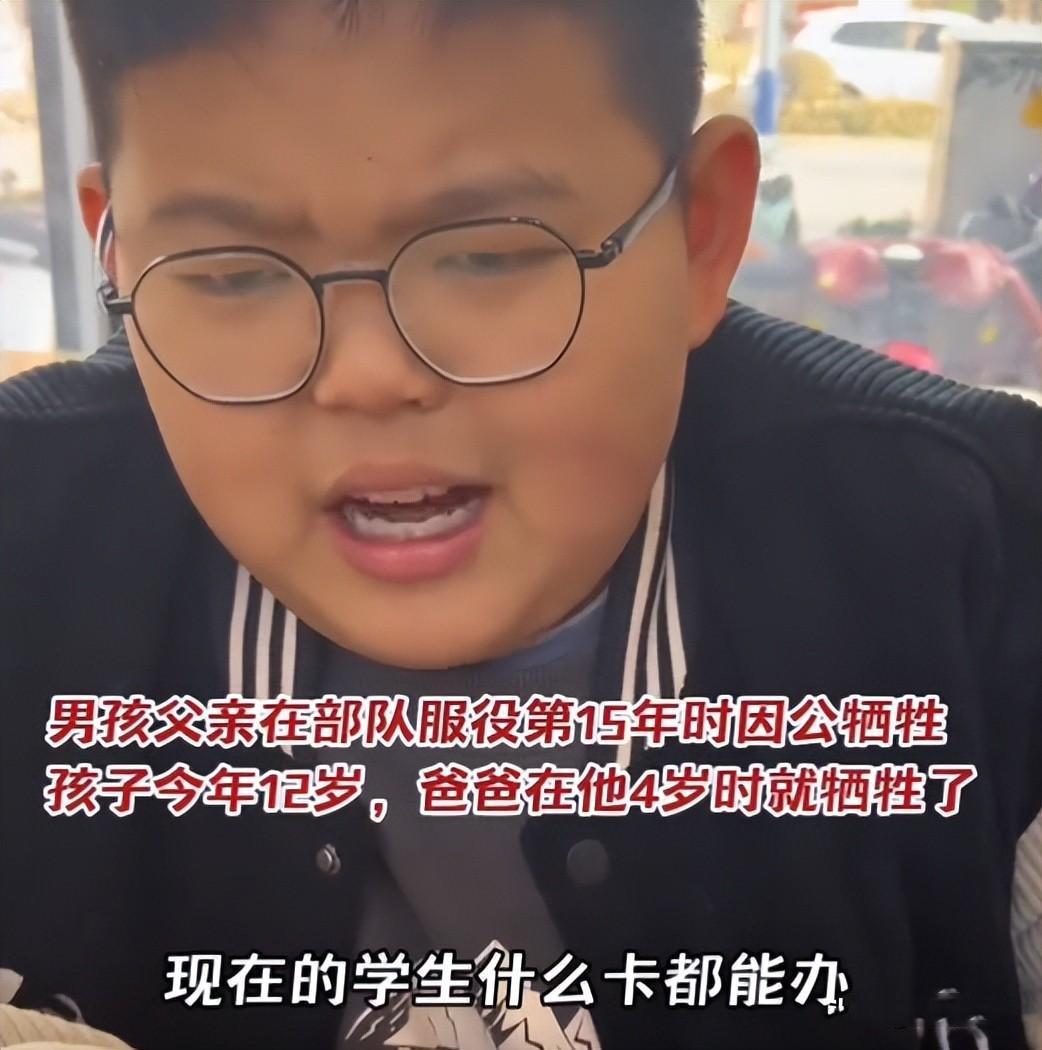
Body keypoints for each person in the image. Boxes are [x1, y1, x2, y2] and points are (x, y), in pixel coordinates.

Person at [1, 2, 1040, 1048]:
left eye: (488, 255)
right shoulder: (25, 549)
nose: (366, 375)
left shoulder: (976, 550)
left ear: (701, 235)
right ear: (119, 259)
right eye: (230, 273)